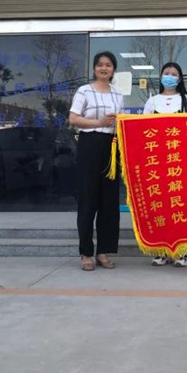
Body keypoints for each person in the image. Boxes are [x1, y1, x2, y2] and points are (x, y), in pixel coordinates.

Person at [69, 51, 124, 271]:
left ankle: (103, 252)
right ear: (94, 69)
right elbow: (73, 119)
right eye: (100, 65)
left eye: (108, 65)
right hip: (89, 144)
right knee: (88, 198)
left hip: (112, 147)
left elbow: (121, 122)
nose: (104, 68)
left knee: (109, 201)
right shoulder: (84, 90)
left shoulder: (118, 93)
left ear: (113, 70)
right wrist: (98, 122)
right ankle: (86, 253)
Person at [143, 62, 187, 268]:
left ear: (180, 78)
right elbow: (142, 128)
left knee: (180, 205)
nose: (170, 77)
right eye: (166, 73)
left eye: (174, 74)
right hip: (157, 162)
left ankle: (181, 251)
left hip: (179, 161)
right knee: (160, 205)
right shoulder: (152, 101)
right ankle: (161, 250)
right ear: (160, 77)